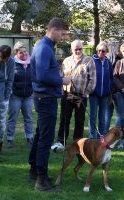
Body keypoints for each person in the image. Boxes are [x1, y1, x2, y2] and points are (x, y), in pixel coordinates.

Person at [28, 17, 71, 192]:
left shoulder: (43, 46)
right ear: (53, 29)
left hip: (42, 97)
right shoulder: (44, 48)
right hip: (45, 98)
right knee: (45, 139)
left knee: (40, 135)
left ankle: (33, 170)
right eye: (62, 33)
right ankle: (41, 180)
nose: (63, 37)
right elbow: (42, 75)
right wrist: (62, 80)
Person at [51, 39, 96, 149]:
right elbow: (61, 76)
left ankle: (78, 143)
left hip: (81, 95)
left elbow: (93, 79)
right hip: (67, 94)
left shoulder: (89, 61)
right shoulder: (66, 61)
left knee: (80, 120)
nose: (78, 51)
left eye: (80, 48)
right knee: (64, 119)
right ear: (72, 49)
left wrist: (86, 93)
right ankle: (61, 142)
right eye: (76, 49)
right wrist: (62, 91)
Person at [6, 41, 34, 148]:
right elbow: (8, 78)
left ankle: (30, 138)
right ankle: (10, 139)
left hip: (28, 96)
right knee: (13, 118)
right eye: (21, 53)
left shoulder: (31, 62)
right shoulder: (12, 63)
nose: (24, 54)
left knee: (29, 118)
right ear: (16, 53)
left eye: (25, 52)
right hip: (15, 96)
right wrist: (12, 91)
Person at [88, 42, 113, 138]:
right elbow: (87, 75)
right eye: (99, 50)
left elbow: (111, 77)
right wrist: (90, 88)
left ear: (106, 51)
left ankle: (101, 137)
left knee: (102, 117)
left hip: (105, 94)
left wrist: (109, 87)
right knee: (93, 116)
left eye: (103, 51)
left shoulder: (108, 62)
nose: (100, 52)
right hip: (94, 93)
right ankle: (92, 136)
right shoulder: (91, 61)